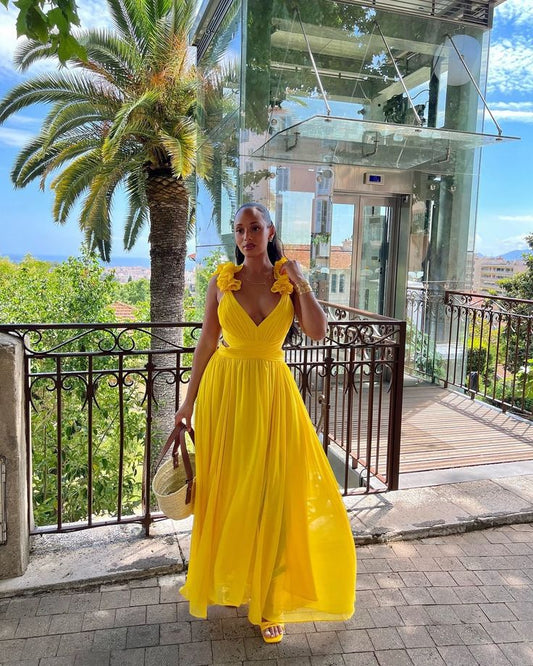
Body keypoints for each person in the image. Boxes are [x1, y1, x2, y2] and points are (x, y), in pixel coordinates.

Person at [175, 202, 356, 643]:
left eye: (255, 228)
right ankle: (233, 580)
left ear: (270, 231)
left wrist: (301, 280)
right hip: (225, 395)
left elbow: (317, 331)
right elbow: (207, 342)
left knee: (274, 494)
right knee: (231, 490)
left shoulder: (287, 281)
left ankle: (270, 599)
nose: (246, 237)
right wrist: (187, 402)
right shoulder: (221, 281)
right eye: (240, 230)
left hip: (274, 394)